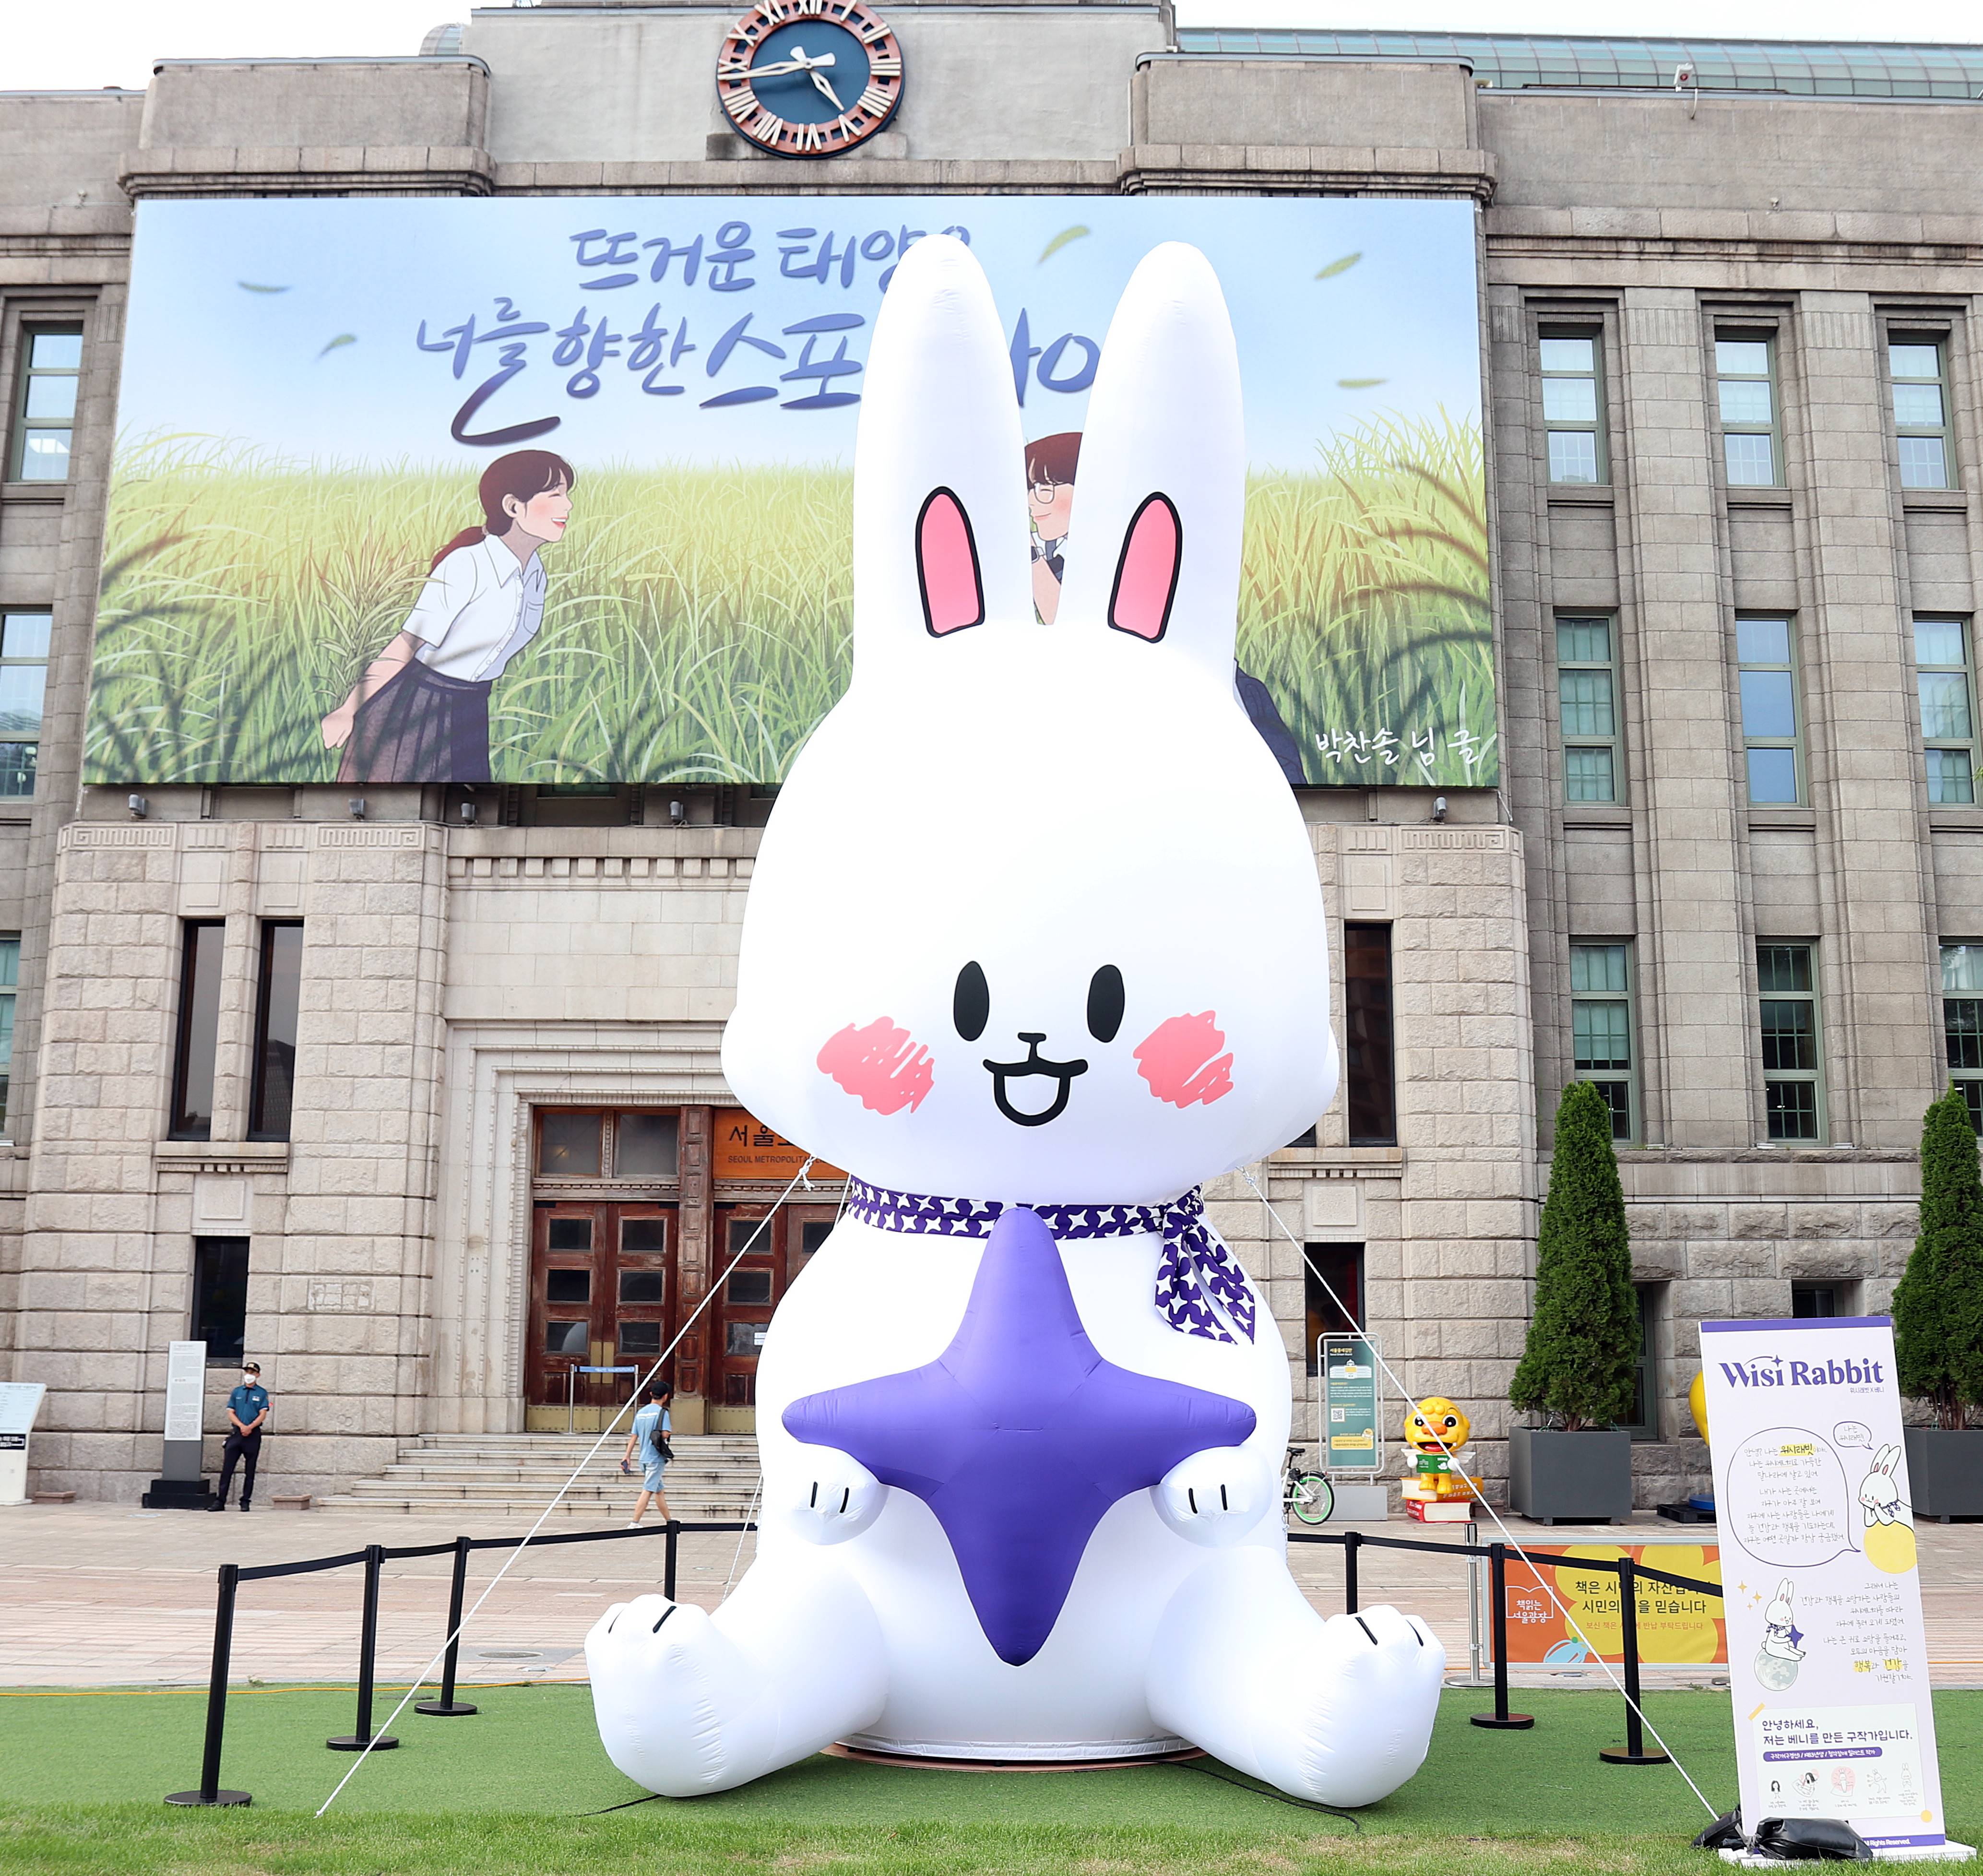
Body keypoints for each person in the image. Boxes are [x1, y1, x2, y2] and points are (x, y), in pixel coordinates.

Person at [1023, 430, 1309, 784]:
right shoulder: (1065, 554)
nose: (1034, 503)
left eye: (1046, 489)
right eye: (1030, 490)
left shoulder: (1128, 550)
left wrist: (1033, 561)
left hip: (1208, 701)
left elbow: (1071, 627)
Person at [321, 449, 575, 784]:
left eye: (567, 494)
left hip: (470, 709)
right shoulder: (466, 566)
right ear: (513, 506)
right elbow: (407, 643)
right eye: (555, 494)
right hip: (414, 711)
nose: (567, 505)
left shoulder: (535, 574)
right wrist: (347, 710)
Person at [210, 1360, 269, 1513]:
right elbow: (231, 1412)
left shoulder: (262, 1393)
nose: (249, 1375)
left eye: (252, 1372)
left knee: (250, 1470)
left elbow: (263, 1414)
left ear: (258, 1375)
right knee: (227, 1468)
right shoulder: (237, 1392)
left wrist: (250, 1427)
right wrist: (242, 1426)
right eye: (247, 1372)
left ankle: (245, 1501)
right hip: (237, 1433)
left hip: (253, 1434)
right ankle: (220, 1500)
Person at [621, 1384, 674, 1526]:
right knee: (648, 1490)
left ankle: (669, 1521)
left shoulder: (641, 1413)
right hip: (655, 1458)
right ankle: (634, 1522)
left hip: (643, 1458)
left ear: (651, 1394)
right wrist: (668, 1433)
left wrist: (627, 1456)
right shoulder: (662, 1413)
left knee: (659, 1491)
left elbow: (634, 1436)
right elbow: (665, 1433)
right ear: (665, 1396)